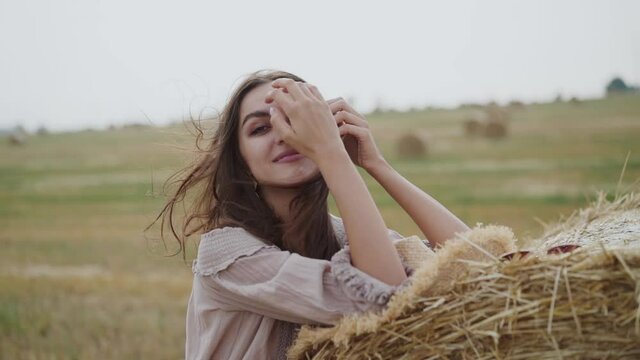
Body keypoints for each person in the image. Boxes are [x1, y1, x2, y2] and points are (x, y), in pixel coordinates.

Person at [150, 70, 469, 359]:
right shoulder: (230, 257)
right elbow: (385, 300)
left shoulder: (339, 235)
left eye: (295, 122)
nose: (284, 136)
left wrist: (377, 165)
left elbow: (476, 264)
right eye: (261, 128)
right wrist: (331, 154)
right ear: (241, 161)